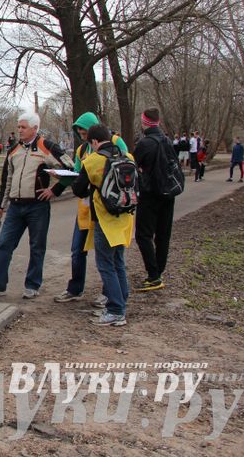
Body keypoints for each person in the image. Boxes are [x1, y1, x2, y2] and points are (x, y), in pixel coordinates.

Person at [0, 112, 74, 300]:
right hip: (15, 207)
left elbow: (70, 170)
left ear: (35, 128)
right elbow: (6, 179)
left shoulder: (47, 147)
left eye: (23, 127)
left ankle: (32, 285)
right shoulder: (14, 150)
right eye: (18, 127)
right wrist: (0, 205)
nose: (19, 130)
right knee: (4, 245)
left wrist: (54, 190)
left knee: (37, 247)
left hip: (37, 206)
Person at [53, 112, 128, 306]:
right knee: (78, 250)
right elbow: (79, 176)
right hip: (87, 209)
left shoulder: (116, 144)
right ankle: (76, 289)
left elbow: (124, 171)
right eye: (79, 132)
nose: (82, 135)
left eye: (85, 132)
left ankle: (112, 298)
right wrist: (62, 180)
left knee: (110, 259)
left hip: (108, 211)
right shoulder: (81, 151)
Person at [71, 124, 135, 327]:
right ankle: (121, 302)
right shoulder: (128, 157)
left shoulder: (92, 161)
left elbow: (79, 190)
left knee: (105, 264)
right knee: (118, 262)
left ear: (94, 142)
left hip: (105, 218)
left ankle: (115, 310)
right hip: (125, 218)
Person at [132, 108, 176, 291]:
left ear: (144, 123)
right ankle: (158, 272)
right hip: (168, 193)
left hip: (150, 195)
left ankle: (153, 275)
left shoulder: (144, 144)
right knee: (163, 234)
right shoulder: (167, 141)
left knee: (143, 235)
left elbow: (133, 165)